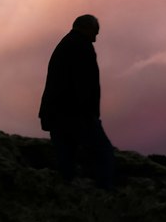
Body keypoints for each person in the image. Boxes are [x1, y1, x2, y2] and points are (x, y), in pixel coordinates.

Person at [38, 14, 114, 188]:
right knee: (103, 153)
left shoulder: (65, 44)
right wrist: (90, 114)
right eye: (95, 33)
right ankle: (106, 195)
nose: (95, 39)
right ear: (86, 28)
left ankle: (68, 196)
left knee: (66, 161)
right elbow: (84, 84)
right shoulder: (81, 46)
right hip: (75, 114)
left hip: (56, 114)